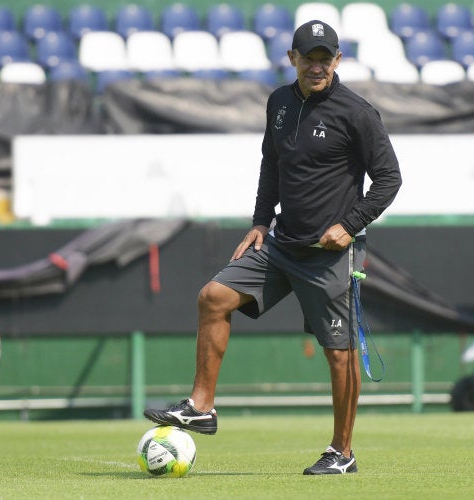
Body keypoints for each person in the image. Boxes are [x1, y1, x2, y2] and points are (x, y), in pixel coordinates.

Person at [144, 19, 402, 475]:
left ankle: (342, 453)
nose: (317, 66)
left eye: (326, 58)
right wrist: (261, 221)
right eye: (309, 58)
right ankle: (202, 406)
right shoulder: (279, 102)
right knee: (213, 297)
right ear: (292, 59)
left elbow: (389, 180)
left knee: (338, 353)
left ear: (338, 61)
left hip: (330, 254)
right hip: (282, 244)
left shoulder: (357, 112)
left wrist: (350, 224)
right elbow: (271, 163)